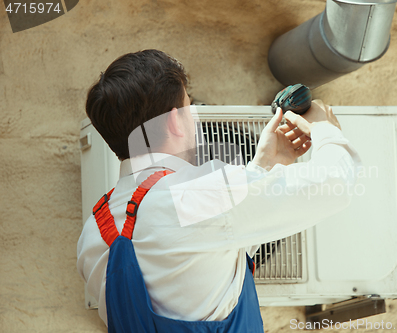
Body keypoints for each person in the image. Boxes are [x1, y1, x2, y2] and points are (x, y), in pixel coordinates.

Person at [77, 49, 360, 332]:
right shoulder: (200, 195)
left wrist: (266, 164)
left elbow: (208, 255)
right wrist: (325, 129)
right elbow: (335, 184)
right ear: (175, 121)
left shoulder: (92, 232)